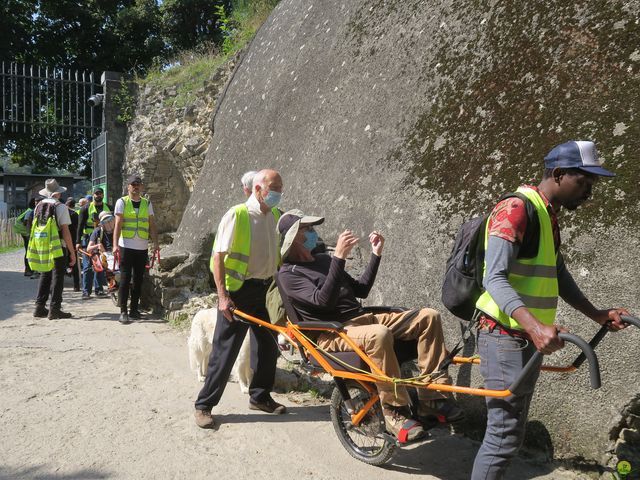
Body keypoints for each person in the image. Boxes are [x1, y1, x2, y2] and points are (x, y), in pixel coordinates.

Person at [470, 141, 630, 480]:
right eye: (583, 183)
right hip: (504, 336)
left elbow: (556, 274)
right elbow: (493, 279)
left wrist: (596, 314)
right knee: (501, 439)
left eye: (591, 186)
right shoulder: (516, 208)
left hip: (525, 338)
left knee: (510, 436)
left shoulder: (545, 214)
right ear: (558, 174)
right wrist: (534, 326)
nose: (588, 193)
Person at [277, 210, 463, 442]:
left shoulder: (324, 260)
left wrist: (376, 254)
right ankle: (394, 412)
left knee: (429, 316)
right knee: (379, 334)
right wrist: (340, 257)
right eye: (308, 230)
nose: (314, 233)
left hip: (361, 320)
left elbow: (361, 290)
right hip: (331, 333)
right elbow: (322, 301)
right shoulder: (288, 274)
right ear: (295, 238)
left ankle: (431, 398)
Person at [194, 169, 285, 429]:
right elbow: (218, 258)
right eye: (274, 189)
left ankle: (260, 397)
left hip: (265, 291)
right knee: (225, 352)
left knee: (268, 348)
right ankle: (204, 405)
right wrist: (222, 297)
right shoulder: (237, 215)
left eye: (280, 189)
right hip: (239, 293)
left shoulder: (275, 215)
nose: (278, 194)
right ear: (258, 189)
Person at [112, 174, 159, 324]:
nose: (136, 187)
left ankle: (134, 310)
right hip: (126, 245)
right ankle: (123, 311)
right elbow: (118, 225)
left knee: (139, 279)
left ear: (141, 187)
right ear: (128, 187)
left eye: (138, 184)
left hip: (142, 246)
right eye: (133, 184)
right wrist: (114, 245)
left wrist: (156, 243)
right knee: (125, 279)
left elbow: (152, 224)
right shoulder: (122, 202)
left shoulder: (147, 203)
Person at [30, 179, 76, 319]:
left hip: (42, 245)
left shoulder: (38, 206)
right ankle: (55, 309)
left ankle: (39, 307)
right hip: (57, 246)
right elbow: (66, 232)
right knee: (58, 276)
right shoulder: (60, 207)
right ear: (58, 193)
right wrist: (72, 252)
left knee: (45, 274)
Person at [77, 187, 112, 299]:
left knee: (101, 264)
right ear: (93, 195)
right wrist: (77, 242)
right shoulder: (85, 208)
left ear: (103, 195)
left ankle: (99, 289)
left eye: (100, 194)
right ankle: (86, 292)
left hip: (102, 238)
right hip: (88, 240)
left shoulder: (109, 208)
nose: (98, 195)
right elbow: (80, 226)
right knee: (87, 266)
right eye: (96, 194)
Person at [14, 198, 36, 276]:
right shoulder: (30, 211)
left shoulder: (30, 210)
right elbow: (25, 223)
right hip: (26, 234)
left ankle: (30, 269)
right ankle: (28, 270)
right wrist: (29, 233)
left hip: (26, 233)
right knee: (28, 251)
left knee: (29, 251)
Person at [65, 197, 80, 291]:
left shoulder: (62, 213)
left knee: (61, 262)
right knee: (74, 263)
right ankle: (76, 285)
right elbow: (77, 228)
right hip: (73, 240)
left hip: (62, 240)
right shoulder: (74, 214)